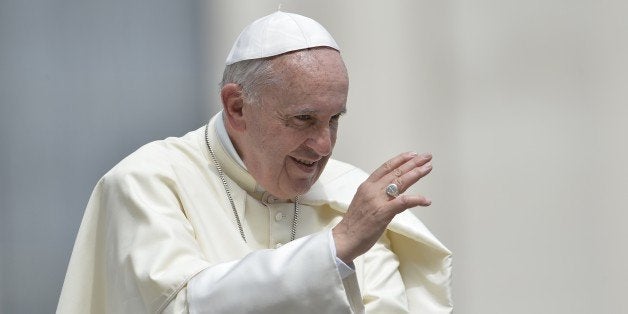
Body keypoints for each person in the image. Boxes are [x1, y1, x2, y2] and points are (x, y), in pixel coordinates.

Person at [58, 11, 452, 314]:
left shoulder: (350, 197)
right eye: (303, 119)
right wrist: (335, 248)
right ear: (237, 107)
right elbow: (178, 307)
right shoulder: (148, 182)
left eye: (335, 120)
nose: (323, 144)